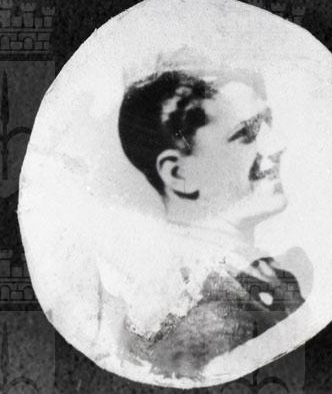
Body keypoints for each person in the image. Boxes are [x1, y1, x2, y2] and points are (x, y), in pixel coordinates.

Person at [115, 67, 309, 378]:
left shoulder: (255, 274)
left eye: (268, 123)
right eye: (246, 134)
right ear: (179, 174)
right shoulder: (188, 308)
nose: (278, 143)